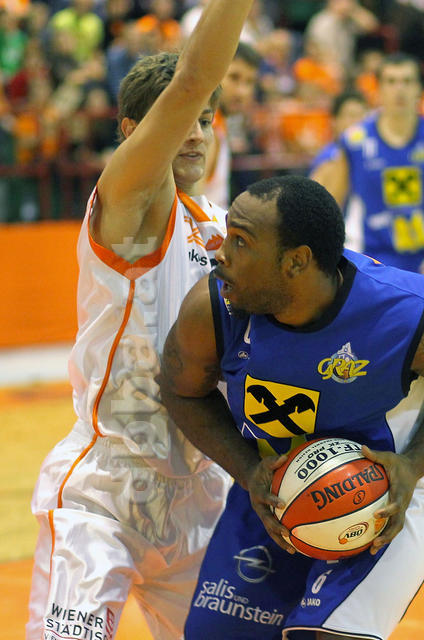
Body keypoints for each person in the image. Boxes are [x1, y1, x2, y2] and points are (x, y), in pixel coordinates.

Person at [158, 174, 424, 639]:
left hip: (386, 487)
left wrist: (413, 465)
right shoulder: (213, 309)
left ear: (296, 261)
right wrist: (248, 470)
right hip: (280, 487)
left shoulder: (403, 311)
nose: (221, 254)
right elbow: (181, 390)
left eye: (241, 241)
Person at [26, 1, 255, 638]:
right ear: (134, 131)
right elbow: (189, 83)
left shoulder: (223, 229)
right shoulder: (131, 208)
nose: (196, 133)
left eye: (206, 121)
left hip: (202, 494)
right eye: (183, 121)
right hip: (107, 493)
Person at [311, 53, 424, 285]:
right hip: (374, 266)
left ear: (419, 88)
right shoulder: (354, 142)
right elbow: (332, 204)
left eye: (407, 81)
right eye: (391, 81)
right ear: (378, 90)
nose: (400, 89)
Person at [203, 41, 262, 209]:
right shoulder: (207, 131)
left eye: (249, 82)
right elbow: (190, 202)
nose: (242, 91)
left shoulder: (218, 125)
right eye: (234, 78)